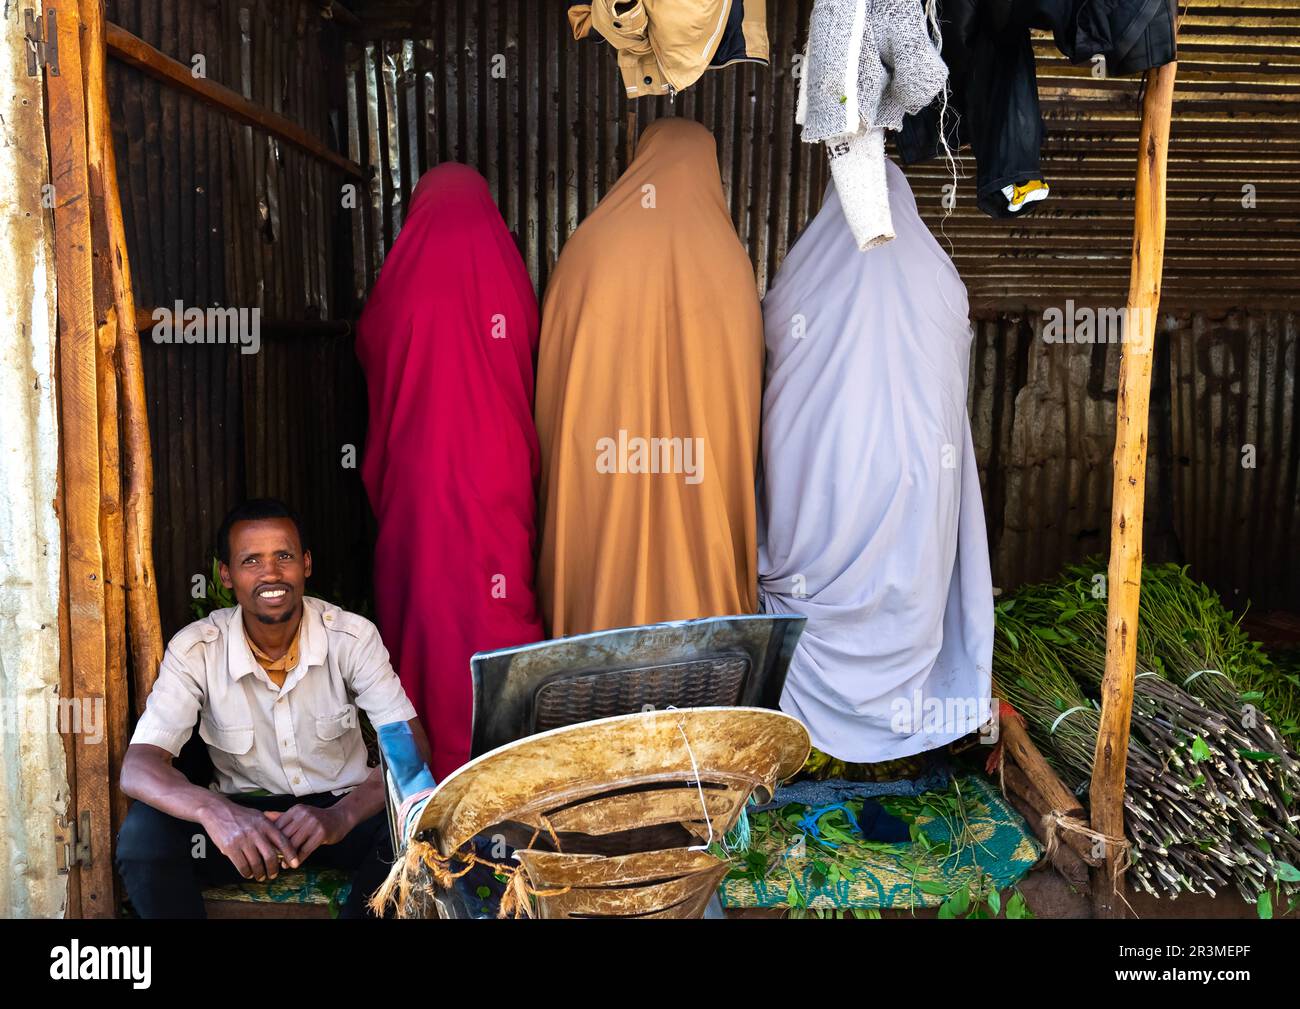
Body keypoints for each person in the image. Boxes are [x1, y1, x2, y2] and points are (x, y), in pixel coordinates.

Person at [757, 160, 995, 764]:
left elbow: (777, 338)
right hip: (919, 485)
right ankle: (898, 712)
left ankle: (804, 726)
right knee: (910, 571)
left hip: (824, 489)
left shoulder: (804, 278)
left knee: (810, 556)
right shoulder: (941, 280)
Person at [116, 499, 426, 918]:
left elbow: (410, 748)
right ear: (226, 574)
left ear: (306, 563)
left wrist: (339, 817)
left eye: (284, 556)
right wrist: (218, 813)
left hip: (340, 816)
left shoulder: (352, 637)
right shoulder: (196, 649)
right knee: (144, 837)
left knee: (416, 829)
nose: (271, 574)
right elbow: (139, 767)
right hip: (246, 825)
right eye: (251, 560)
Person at [534, 116, 763, 638]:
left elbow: (554, 398)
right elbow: (741, 416)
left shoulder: (587, 251)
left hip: (601, 485)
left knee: (601, 592)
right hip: (701, 496)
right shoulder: (730, 264)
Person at [356, 164, 544, 781]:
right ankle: (504, 759)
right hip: (499, 470)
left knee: (425, 611)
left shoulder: (401, 286)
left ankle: (424, 771)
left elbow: (372, 345)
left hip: (419, 481)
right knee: (495, 603)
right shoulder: (509, 280)